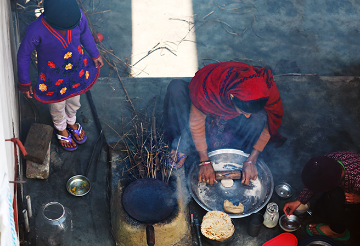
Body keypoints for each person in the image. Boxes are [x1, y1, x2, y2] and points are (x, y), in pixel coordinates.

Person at [164, 61, 284, 185]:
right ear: (231, 96)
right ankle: (183, 148)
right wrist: (204, 161)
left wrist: (252, 159)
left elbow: (272, 122)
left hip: (232, 125)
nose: (248, 116)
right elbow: (196, 123)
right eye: (244, 111)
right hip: (207, 117)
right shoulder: (207, 88)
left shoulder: (265, 88)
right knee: (176, 88)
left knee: (261, 116)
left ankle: (242, 151)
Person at [17, 0, 104, 151]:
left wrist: (95, 54)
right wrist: (25, 82)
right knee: (57, 104)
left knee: (75, 100)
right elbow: (23, 55)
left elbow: (85, 34)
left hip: (76, 71)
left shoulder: (78, 17)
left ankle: (71, 121)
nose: (70, 27)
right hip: (54, 78)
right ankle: (60, 126)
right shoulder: (36, 30)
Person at [283, 151, 360, 241]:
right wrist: (299, 201)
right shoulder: (327, 161)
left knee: (335, 195)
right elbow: (315, 182)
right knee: (324, 207)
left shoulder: (357, 182)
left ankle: (338, 231)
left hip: (356, 194)